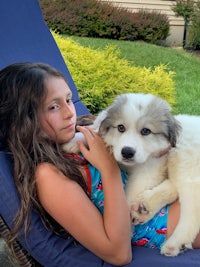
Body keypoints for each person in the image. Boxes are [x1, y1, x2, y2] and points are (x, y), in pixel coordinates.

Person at [0, 62, 200, 266]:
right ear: (25, 119)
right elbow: (119, 254)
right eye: (53, 106)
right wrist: (108, 169)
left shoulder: (84, 136)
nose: (69, 112)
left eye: (68, 100)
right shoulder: (48, 176)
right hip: (171, 221)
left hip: (170, 194)